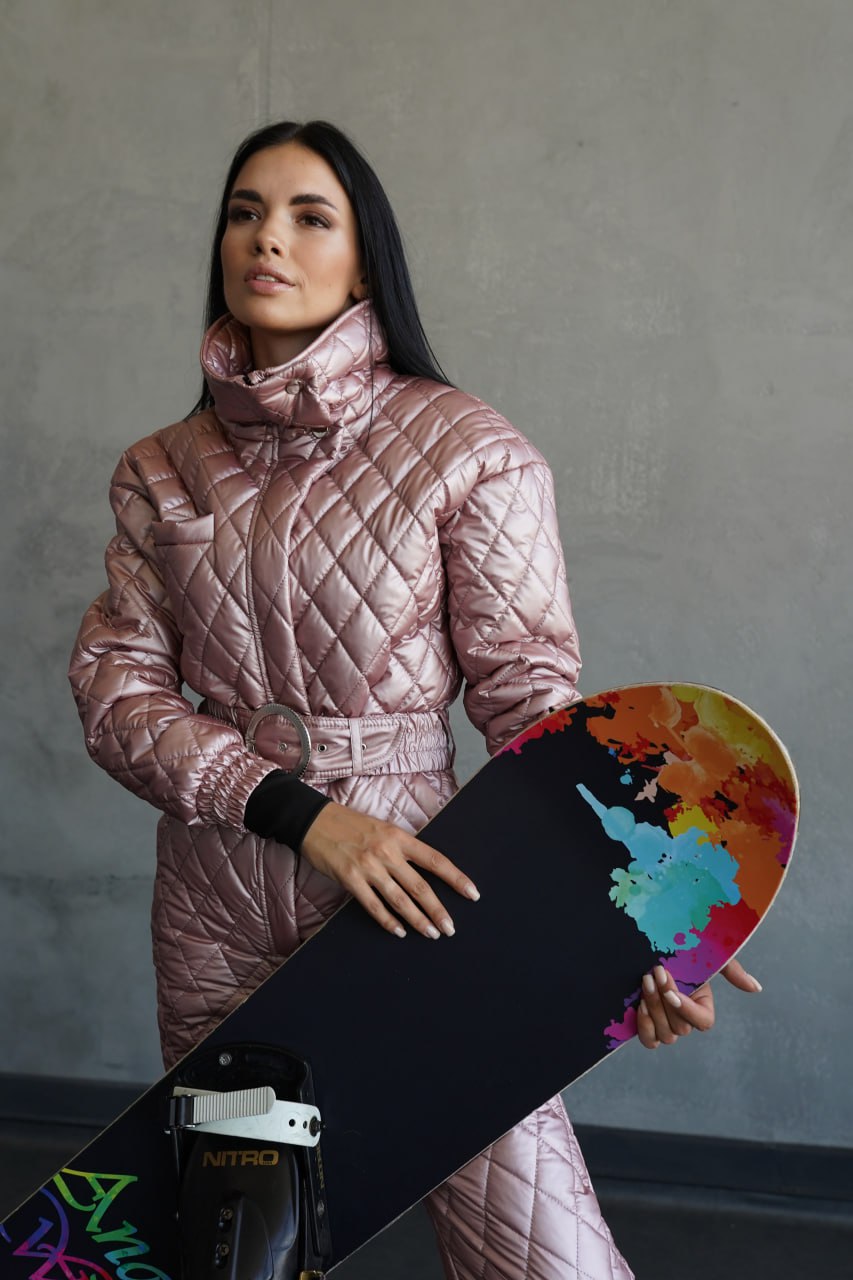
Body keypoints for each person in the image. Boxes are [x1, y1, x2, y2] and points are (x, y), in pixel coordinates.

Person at [69, 120, 761, 1280]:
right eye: (245, 211)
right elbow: (113, 690)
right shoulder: (161, 466)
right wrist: (298, 812)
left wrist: (634, 928)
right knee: (235, 1247)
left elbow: (537, 715)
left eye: (308, 215)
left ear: (363, 256)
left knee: (539, 1251)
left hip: (421, 895)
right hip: (213, 900)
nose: (266, 240)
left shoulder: (467, 451)